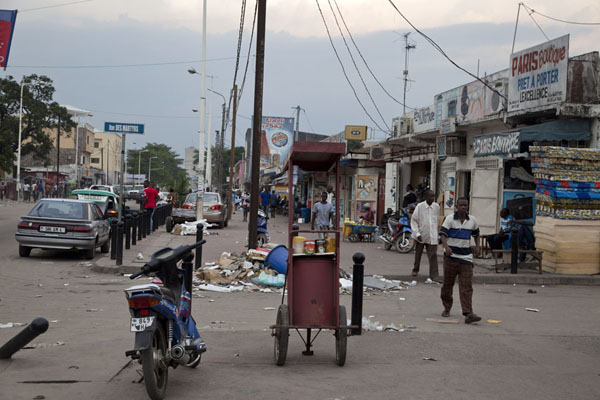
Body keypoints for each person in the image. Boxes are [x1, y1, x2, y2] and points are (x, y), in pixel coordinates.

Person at [439, 197, 482, 324]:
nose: (463, 207)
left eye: (465, 205)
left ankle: (468, 313)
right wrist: (446, 247)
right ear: (456, 206)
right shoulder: (450, 219)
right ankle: (447, 308)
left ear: (468, 206)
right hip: (451, 258)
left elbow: (476, 234)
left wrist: (478, 246)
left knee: (466, 287)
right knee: (447, 285)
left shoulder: (472, 220)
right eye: (461, 205)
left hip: (466, 258)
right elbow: (443, 234)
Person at [410, 190, 441, 281]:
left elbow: (436, 219)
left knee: (433, 255)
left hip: (432, 235)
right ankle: (415, 269)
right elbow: (414, 220)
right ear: (426, 197)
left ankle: (434, 275)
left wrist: (436, 233)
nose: (432, 198)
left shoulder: (436, 206)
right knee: (418, 253)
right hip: (421, 234)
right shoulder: (420, 207)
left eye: (433, 196)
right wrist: (417, 233)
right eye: (430, 196)